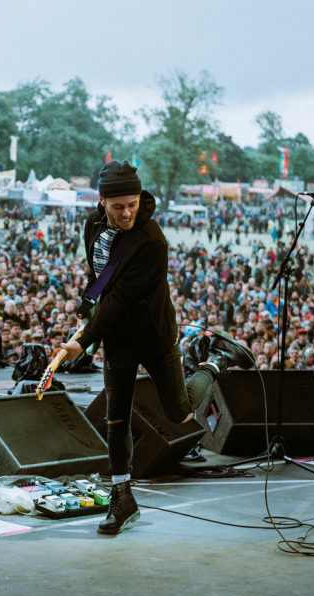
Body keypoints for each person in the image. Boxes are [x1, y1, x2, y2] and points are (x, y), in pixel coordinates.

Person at [59, 161, 252, 535]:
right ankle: (123, 497)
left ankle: (214, 361)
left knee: (179, 412)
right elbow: (101, 281)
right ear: (101, 201)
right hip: (119, 338)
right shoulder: (92, 226)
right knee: (116, 419)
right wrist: (85, 316)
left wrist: (84, 341)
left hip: (153, 334)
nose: (127, 212)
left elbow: (119, 301)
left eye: (132, 204)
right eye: (118, 206)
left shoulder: (151, 240)